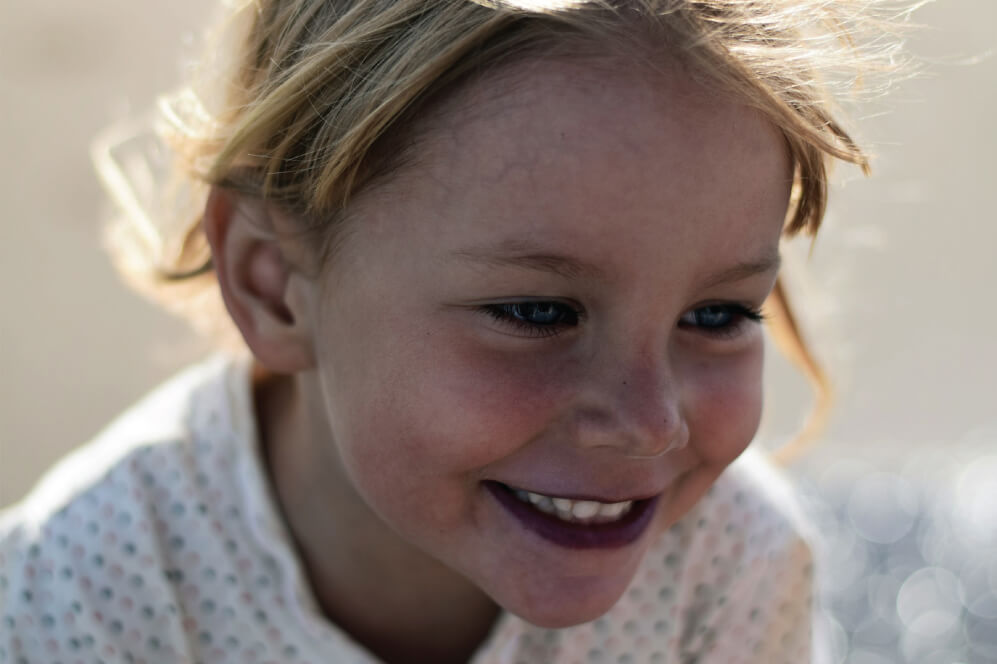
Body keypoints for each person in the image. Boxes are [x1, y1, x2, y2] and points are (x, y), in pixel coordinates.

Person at [0, 1, 909, 662]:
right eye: (537, 314)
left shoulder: (731, 570)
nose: (648, 423)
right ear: (274, 284)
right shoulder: (83, 594)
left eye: (716, 315)